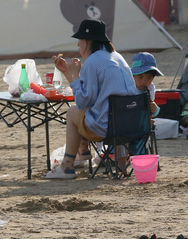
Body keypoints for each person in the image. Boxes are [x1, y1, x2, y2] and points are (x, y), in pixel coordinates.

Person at [43, 19, 137, 179]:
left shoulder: (93, 61)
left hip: (108, 128)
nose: (78, 45)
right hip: (132, 125)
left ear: (89, 40)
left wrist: (73, 78)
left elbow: (82, 101)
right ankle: (118, 163)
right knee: (109, 110)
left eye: (80, 40)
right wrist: (69, 73)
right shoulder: (117, 56)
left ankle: (67, 165)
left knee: (73, 112)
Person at [130, 52, 163, 118]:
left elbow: (150, 112)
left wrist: (155, 110)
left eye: (149, 78)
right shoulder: (128, 88)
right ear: (132, 76)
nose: (144, 81)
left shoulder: (150, 88)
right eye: (140, 77)